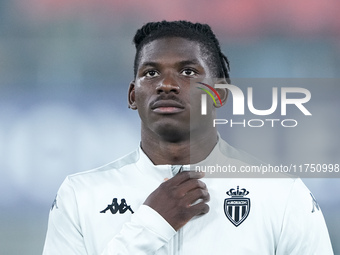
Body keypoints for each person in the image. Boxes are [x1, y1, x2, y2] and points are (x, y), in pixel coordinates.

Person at [43, 21, 333, 254]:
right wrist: (152, 226)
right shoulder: (80, 195)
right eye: (151, 72)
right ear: (133, 95)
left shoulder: (282, 195)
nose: (166, 84)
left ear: (219, 94)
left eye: (187, 71)